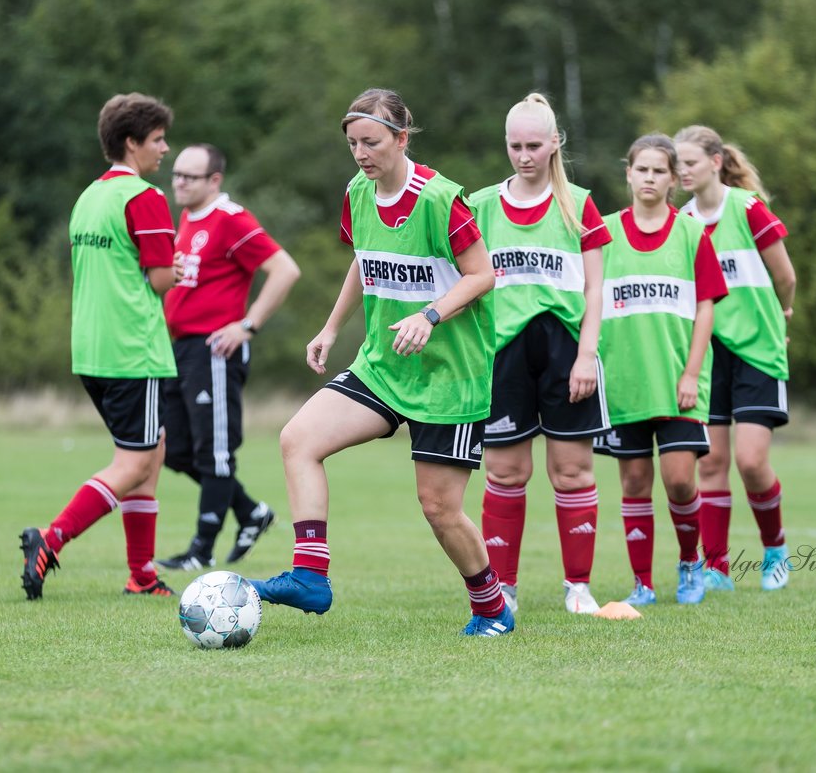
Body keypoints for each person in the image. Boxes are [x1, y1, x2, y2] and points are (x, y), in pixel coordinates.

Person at [247, 88, 514, 636]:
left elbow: (483, 274)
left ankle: (491, 608)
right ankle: (310, 576)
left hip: (450, 377)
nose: (362, 154)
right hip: (385, 366)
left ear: (401, 138)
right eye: (352, 144)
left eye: (371, 142)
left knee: (439, 508)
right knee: (298, 439)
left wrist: (430, 316)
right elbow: (363, 262)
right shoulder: (357, 193)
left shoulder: (442, 199)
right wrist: (330, 327)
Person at [20, 92, 179, 599]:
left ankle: (142, 575)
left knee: (148, 457)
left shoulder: (88, 197)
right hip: (134, 349)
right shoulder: (146, 198)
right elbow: (157, 280)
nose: (165, 149)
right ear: (132, 143)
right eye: (157, 140)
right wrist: (173, 271)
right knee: (134, 464)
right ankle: (49, 540)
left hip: (91, 348)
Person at [471, 93, 612, 615]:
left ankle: (578, 586)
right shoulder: (481, 204)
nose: (524, 155)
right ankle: (502, 588)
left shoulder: (578, 201)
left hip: (566, 351)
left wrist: (586, 354)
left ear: (555, 143)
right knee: (505, 473)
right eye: (515, 146)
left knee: (572, 471)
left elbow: (596, 289)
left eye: (534, 145)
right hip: (503, 352)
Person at [594, 134, 727, 606]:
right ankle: (642, 583)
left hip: (678, 383)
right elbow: (587, 303)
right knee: (633, 483)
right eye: (641, 169)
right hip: (624, 382)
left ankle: (691, 562)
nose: (649, 178)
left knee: (679, 480)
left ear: (674, 179)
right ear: (628, 173)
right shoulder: (604, 233)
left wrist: (692, 373)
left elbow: (707, 308)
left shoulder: (691, 232)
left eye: (659, 171)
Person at [156, 144, 301, 571]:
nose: (179, 182)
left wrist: (248, 325)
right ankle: (252, 512)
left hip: (214, 351)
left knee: (215, 454)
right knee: (174, 449)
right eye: (177, 174)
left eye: (190, 176)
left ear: (214, 180)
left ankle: (200, 552)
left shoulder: (231, 218)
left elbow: (285, 269)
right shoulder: (186, 218)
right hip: (179, 349)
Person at [675, 125, 796, 592]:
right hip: (707, 355)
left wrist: (780, 315)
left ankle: (775, 549)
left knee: (750, 461)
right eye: (677, 163)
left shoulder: (747, 209)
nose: (682, 170)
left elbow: (785, 276)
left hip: (758, 351)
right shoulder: (682, 221)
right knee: (712, 463)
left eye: (689, 162)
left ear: (715, 161)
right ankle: (717, 566)